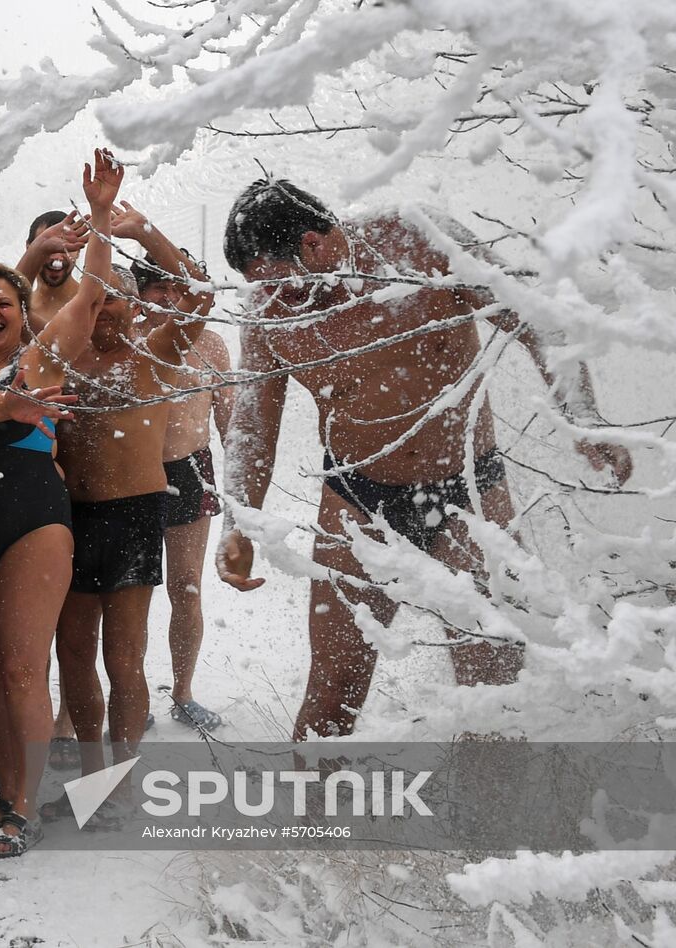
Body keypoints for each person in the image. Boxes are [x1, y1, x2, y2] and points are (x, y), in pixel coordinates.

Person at [215, 178, 633, 740]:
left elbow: (535, 318)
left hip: (468, 493)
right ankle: (311, 827)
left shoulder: (416, 239)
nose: (276, 300)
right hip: (356, 500)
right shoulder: (268, 313)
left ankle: (487, 827)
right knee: (334, 688)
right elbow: (251, 427)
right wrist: (237, 522)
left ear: (315, 244)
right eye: (260, 289)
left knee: (492, 692)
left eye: (284, 284)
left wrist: (582, 415)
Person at [0, 148, 122, 856]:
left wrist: (100, 216)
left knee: (22, 667)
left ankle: (31, 803)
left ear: (21, 315)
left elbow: (93, 292)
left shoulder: (42, 359)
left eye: (3, 303)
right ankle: (9, 790)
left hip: (35, 522)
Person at [46, 237, 213, 823]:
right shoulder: (59, 358)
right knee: (72, 654)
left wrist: (145, 234)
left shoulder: (154, 356)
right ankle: (93, 776)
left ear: (135, 305)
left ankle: (120, 779)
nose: (106, 308)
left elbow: (201, 296)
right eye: (96, 297)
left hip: (134, 513)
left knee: (124, 658)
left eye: (118, 297)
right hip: (71, 516)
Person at [115, 207, 234, 732]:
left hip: (191, 467)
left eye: (175, 288)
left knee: (186, 587)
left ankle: (183, 691)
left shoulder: (208, 341)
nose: (167, 299)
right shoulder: (127, 336)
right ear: (141, 292)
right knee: (130, 591)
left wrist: (245, 505)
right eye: (156, 289)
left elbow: (231, 419)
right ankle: (131, 694)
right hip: (132, 472)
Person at [16, 209, 91, 332]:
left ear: (78, 250)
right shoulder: (12, 311)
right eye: (48, 248)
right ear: (29, 248)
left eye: (66, 247)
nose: (57, 257)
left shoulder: (94, 306)